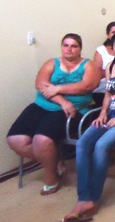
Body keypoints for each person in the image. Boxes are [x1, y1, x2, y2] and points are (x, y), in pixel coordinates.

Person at [57, 32, 115, 222]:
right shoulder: (110, 67)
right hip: (111, 116)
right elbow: (108, 94)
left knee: (101, 145)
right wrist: (102, 114)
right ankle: (83, 198)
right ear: (112, 49)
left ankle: (93, 199)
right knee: (82, 143)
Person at [7, 34, 99, 195]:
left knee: (41, 140)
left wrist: (57, 88)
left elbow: (87, 86)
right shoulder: (52, 63)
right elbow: (40, 84)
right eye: (66, 45)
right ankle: (55, 162)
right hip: (43, 105)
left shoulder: (88, 65)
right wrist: (63, 101)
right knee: (15, 140)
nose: (69, 48)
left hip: (74, 111)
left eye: (74, 46)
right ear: (61, 47)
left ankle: (51, 178)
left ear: (80, 48)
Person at [92, 21, 115, 106]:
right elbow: (96, 73)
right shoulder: (101, 50)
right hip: (102, 91)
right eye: (113, 32)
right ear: (108, 35)